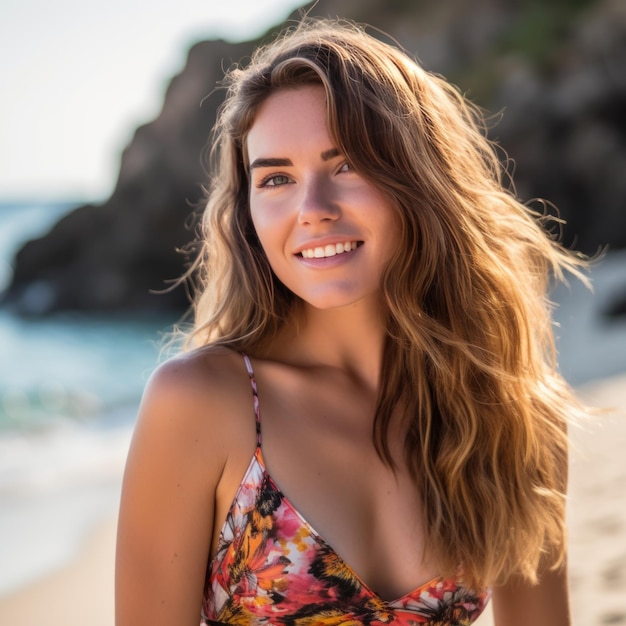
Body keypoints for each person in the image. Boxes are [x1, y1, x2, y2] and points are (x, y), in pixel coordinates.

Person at [115, 17, 588, 626]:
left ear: (420, 180)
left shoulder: (516, 419)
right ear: (249, 211)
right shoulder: (205, 403)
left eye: (347, 165)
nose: (312, 210)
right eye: (277, 178)